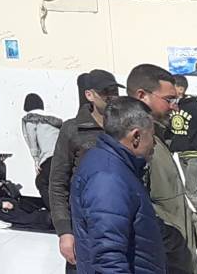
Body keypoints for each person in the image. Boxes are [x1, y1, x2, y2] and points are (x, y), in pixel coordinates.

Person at [126, 64, 197, 273]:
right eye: (169, 100)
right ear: (142, 96)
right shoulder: (133, 150)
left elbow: (177, 209)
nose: (174, 107)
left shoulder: (158, 142)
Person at [69, 96, 164, 274]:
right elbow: (108, 257)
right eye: (152, 136)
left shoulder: (114, 166)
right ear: (136, 136)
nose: (155, 143)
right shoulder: (108, 177)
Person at [48, 68, 121, 268]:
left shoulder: (123, 127)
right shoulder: (73, 129)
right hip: (84, 227)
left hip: (119, 225)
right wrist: (65, 231)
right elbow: (58, 183)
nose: (112, 97)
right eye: (106, 92)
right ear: (89, 95)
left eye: (115, 91)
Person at [23, 92, 64, 196]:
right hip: (62, 156)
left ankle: (51, 206)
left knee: (41, 182)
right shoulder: (51, 120)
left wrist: (36, 160)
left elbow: (32, 141)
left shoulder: (30, 121)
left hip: (49, 156)